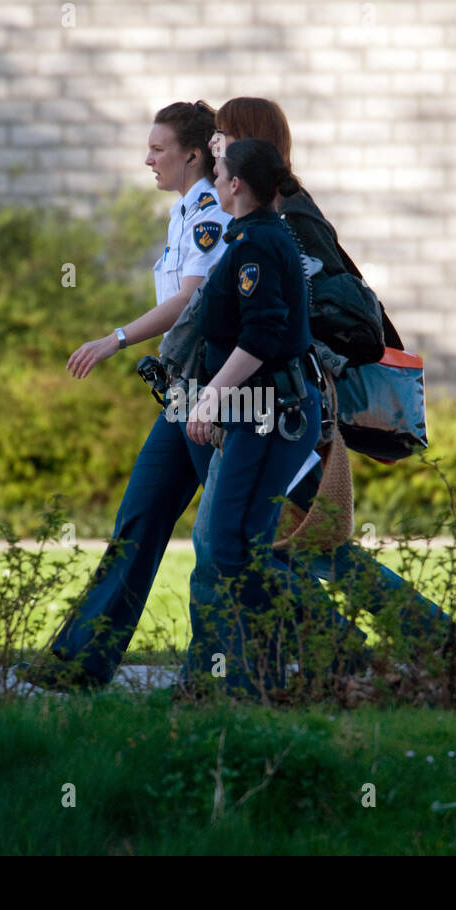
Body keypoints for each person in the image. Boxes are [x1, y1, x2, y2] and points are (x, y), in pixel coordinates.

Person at [193, 98, 456, 680]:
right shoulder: (274, 211)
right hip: (278, 402)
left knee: (236, 545)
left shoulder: (289, 221)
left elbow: (306, 318)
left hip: (286, 406)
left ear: (247, 144)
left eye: (221, 136)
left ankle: (334, 660)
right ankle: (425, 641)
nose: (213, 146)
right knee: (303, 544)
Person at [17, 101, 231, 691]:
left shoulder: (208, 211)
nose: (148, 158)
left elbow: (190, 299)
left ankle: (332, 649)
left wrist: (116, 339)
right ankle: (79, 663)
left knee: (239, 533)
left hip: (209, 391)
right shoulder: (183, 213)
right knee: (139, 518)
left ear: (192, 154)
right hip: (182, 394)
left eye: (159, 148)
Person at [178, 138, 324, 698]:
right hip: (256, 414)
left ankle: (303, 661)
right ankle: (260, 678)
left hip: (270, 416)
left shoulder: (258, 244)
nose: (213, 175)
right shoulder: (252, 237)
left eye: (218, 169)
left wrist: (211, 397)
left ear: (236, 184)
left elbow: (263, 335)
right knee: (237, 545)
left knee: (232, 544)